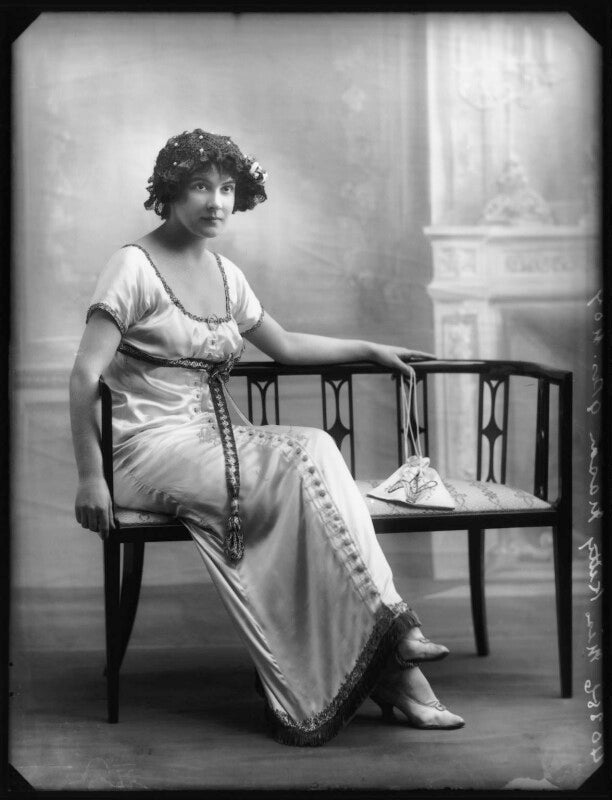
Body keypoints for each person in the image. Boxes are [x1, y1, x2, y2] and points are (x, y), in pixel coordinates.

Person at [69, 129, 464, 746]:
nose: (216, 202)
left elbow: (285, 345)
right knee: (301, 465)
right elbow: (84, 375)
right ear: (170, 192)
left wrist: (370, 347)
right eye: (200, 187)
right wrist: (90, 477)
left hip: (214, 443)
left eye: (227, 189)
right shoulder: (132, 266)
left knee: (315, 454)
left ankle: (390, 649)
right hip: (143, 451)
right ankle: (394, 654)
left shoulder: (227, 275)